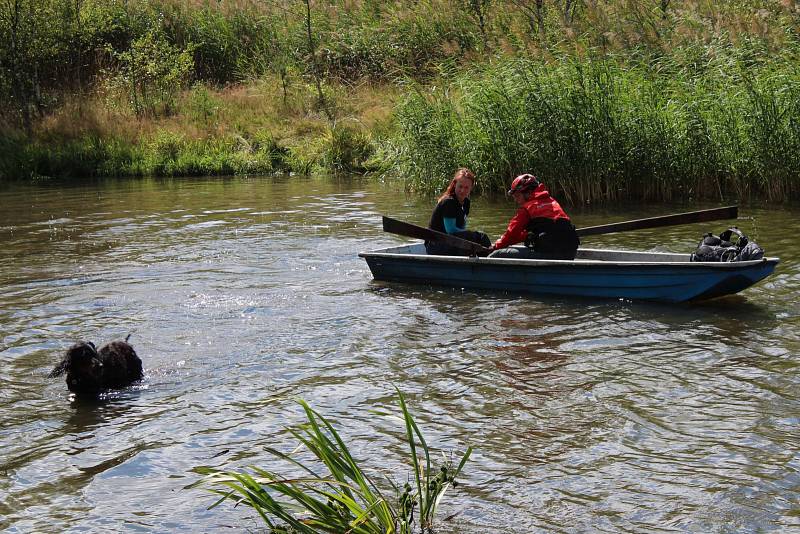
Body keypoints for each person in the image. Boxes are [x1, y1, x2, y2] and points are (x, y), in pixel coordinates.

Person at [488, 173, 580, 259]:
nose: (516, 200)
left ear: (528, 193)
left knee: (497, 254)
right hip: (570, 253)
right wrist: (523, 237)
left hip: (550, 254)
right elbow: (546, 229)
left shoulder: (527, 208)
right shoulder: (552, 202)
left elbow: (511, 234)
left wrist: (496, 246)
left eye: (517, 196)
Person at [425, 168, 491, 255]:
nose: (463, 190)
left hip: (450, 242)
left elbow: (461, 227)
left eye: (466, 187)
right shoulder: (449, 202)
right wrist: (472, 235)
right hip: (435, 246)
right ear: (455, 184)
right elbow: (451, 230)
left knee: (480, 238)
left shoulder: (466, 202)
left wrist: (471, 236)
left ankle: (488, 261)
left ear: (471, 188)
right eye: (460, 186)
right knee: (479, 237)